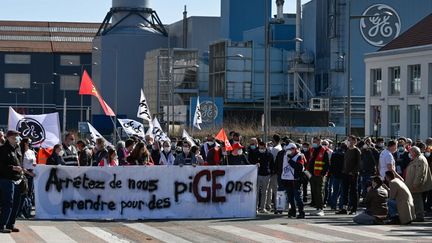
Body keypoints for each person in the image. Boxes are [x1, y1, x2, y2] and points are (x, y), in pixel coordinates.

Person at [0, 130, 23, 233]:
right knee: (8, 202)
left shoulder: (16, 149)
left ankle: (10, 224)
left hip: (17, 179)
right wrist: (13, 168)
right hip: (6, 179)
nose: (17, 139)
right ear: (9, 138)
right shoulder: (3, 149)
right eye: (15, 137)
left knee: (15, 203)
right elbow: (1, 166)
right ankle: (2, 225)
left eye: (17, 137)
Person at [276, 143, 305, 218]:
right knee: (290, 197)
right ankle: (293, 211)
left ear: (294, 149)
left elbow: (299, 167)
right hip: (287, 179)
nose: (288, 151)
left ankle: (301, 212)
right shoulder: (286, 156)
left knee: (297, 197)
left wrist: (290, 161)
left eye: (290, 150)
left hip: (296, 179)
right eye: (287, 150)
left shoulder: (300, 156)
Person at [404, 146, 432, 222]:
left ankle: (419, 215)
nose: (410, 154)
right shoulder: (417, 159)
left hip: (415, 185)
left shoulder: (420, 160)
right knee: (416, 199)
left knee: (417, 200)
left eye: (411, 152)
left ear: (414, 152)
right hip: (412, 185)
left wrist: (416, 184)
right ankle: (417, 215)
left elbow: (420, 173)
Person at [337, 135, 361, 215]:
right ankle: (344, 208)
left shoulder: (356, 150)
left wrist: (353, 172)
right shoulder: (346, 150)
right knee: (344, 191)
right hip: (345, 173)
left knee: (353, 191)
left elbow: (359, 164)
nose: (349, 141)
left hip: (353, 174)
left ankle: (354, 208)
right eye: (348, 140)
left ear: (354, 141)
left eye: (350, 140)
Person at [308, 137, 329, 216]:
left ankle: (320, 208)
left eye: (315, 141)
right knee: (314, 191)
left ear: (319, 141)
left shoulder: (324, 151)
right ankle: (317, 207)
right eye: (313, 141)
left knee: (319, 191)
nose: (313, 143)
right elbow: (310, 162)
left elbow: (327, 164)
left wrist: (322, 174)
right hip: (312, 175)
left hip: (319, 175)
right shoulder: (312, 150)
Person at [252, 142, 273, 213]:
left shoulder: (269, 155)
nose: (261, 149)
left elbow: (272, 164)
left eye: (262, 148)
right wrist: (255, 164)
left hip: (266, 175)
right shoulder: (255, 153)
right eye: (260, 148)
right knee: (256, 192)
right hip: (258, 174)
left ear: (265, 147)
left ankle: (262, 207)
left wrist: (270, 171)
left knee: (265, 192)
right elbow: (251, 161)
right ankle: (255, 208)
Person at [329, 143, 347, 211]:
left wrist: (331, 173)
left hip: (335, 174)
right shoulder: (345, 154)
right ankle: (341, 206)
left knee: (335, 191)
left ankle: (333, 205)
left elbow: (331, 164)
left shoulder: (334, 153)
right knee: (342, 191)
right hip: (343, 174)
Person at [268, 134, 283, 212]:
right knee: (273, 189)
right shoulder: (279, 147)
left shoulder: (275, 149)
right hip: (277, 171)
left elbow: (272, 160)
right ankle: (273, 205)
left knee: (274, 190)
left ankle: (276, 206)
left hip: (274, 172)